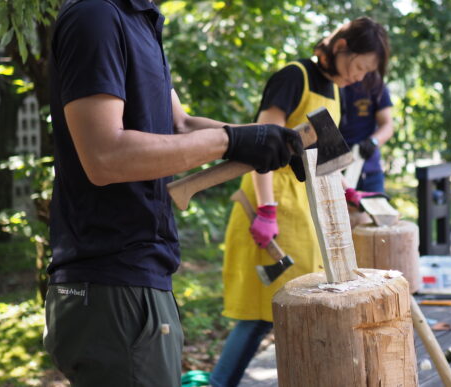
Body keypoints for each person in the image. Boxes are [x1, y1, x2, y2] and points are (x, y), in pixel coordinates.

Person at [42, 1, 302, 386]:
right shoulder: (95, 14)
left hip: (140, 278)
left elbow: (179, 125)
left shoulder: (139, 21)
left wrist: (260, 139)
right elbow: (103, 157)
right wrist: (231, 140)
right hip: (111, 281)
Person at [211, 17, 390, 387]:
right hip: (270, 200)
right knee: (261, 313)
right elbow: (259, 145)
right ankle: (218, 383)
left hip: (304, 207)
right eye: (359, 66)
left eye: (366, 72)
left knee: (302, 301)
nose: (359, 77)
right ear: (341, 48)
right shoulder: (293, 77)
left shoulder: (334, 90)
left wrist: (347, 189)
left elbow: (322, 154)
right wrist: (266, 210)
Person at [340, 77, 394, 195]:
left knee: (376, 213)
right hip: (337, 172)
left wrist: (373, 141)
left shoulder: (374, 83)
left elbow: (387, 125)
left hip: (370, 172)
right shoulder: (331, 84)